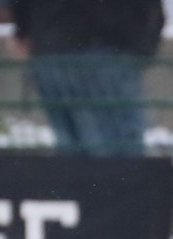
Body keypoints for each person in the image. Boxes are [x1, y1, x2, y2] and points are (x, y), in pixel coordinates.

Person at [9, 0, 164, 157]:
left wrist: (24, 30)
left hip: (50, 47)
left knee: (73, 150)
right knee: (117, 151)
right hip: (104, 47)